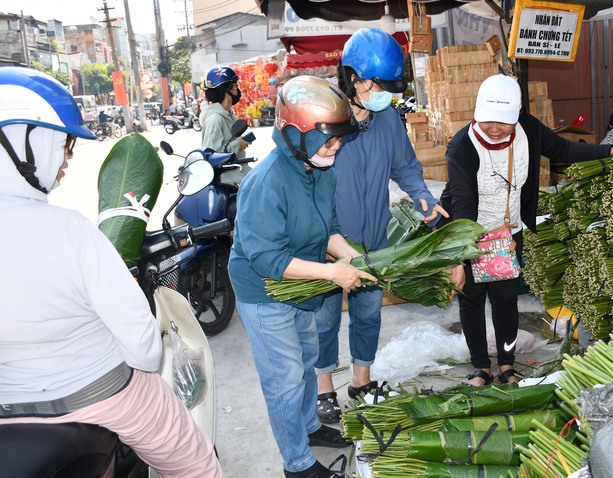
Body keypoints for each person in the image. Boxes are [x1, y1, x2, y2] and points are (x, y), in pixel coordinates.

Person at [0, 67, 224, 477]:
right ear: (24, 144)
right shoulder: (69, 229)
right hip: (98, 396)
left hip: (8, 410)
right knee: (197, 464)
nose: (66, 161)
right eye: (64, 146)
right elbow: (144, 348)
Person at [441, 75, 613, 386]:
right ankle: (481, 368)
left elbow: (563, 149)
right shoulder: (462, 147)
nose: (494, 128)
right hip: (467, 234)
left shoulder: (529, 130)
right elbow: (463, 206)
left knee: (505, 300)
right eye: (488, 120)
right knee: (471, 301)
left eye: (503, 121)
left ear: (517, 115)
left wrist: (611, 151)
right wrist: (458, 259)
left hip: (507, 234)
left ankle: (507, 365)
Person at [229, 75, 376, 478]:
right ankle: (296, 464)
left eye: (338, 139)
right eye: (329, 141)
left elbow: (329, 228)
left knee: (308, 359)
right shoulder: (265, 182)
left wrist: (354, 259)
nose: (336, 147)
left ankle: (310, 426)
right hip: (265, 290)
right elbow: (268, 260)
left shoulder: (321, 169)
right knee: (286, 378)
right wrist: (332, 272)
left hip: (304, 282)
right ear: (297, 136)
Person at [314, 28, 449, 424]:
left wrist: (422, 196)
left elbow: (405, 166)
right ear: (353, 78)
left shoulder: (388, 118)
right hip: (328, 243)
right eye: (378, 86)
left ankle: (361, 381)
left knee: (369, 313)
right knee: (324, 318)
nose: (384, 96)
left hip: (373, 240)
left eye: (390, 88)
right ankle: (324, 388)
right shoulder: (326, 118)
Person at [200, 65, 250, 158]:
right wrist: (237, 144)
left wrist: (239, 142)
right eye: (235, 87)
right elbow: (211, 156)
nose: (238, 91)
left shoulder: (228, 114)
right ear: (225, 90)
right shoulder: (215, 119)